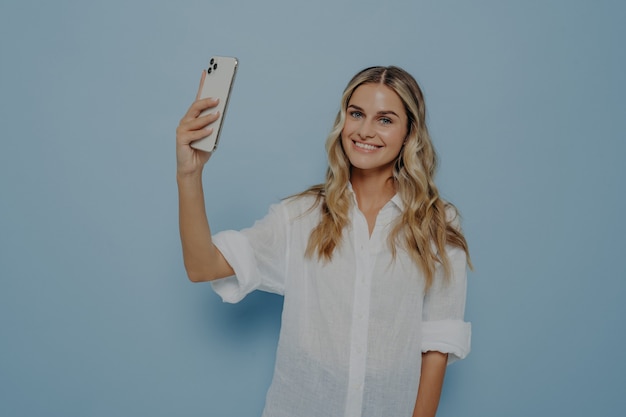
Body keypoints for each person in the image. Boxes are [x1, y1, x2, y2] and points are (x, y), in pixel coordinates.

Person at [176, 65, 472, 417]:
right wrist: (189, 174)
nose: (364, 131)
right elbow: (202, 266)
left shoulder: (438, 224)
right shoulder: (300, 216)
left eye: (385, 120)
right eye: (356, 114)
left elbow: (436, 346)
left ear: (410, 132)